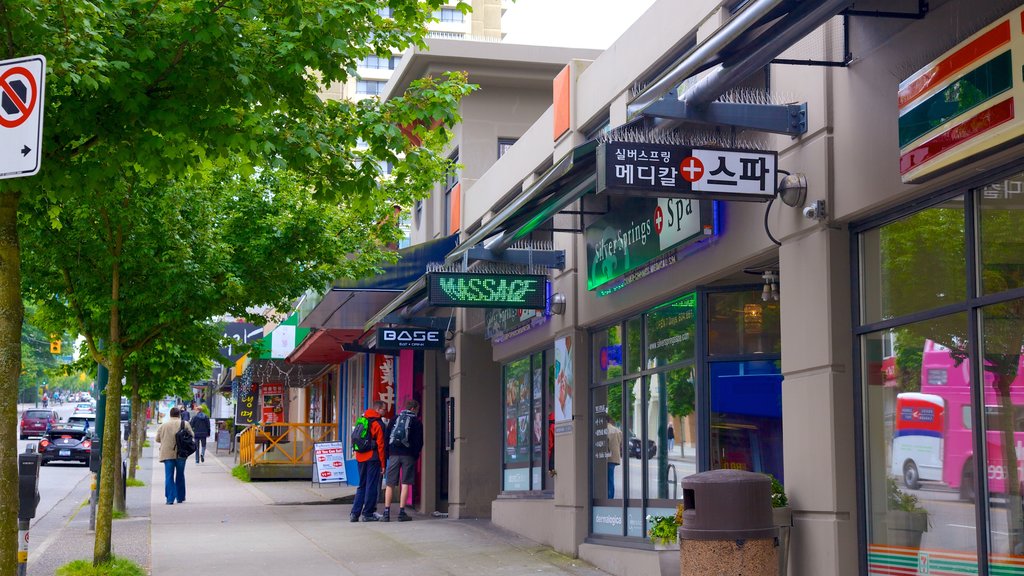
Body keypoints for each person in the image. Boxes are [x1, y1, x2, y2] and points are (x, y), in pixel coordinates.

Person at [382, 399, 424, 522]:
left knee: (390, 484)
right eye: (417, 409)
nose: (417, 412)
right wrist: (415, 456)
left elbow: (386, 437)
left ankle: (386, 512)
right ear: (413, 409)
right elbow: (419, 442)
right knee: (405, 483)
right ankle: (401, 512)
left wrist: (388, 454)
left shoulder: (395, 419)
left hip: (394, 454)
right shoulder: (417, 422)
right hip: (408, 455)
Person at [350, 401, 387, 522]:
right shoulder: (378, 424)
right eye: (383, 409)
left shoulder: (362, 419)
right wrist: (383, 464)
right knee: (372, 485)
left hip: (360, 457)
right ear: (378, 410)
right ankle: (368, 513)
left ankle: (354, 514)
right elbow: (381, 446)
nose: (385, 412)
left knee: (362, 485)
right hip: (373, 458)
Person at [156, 406, 193, 505]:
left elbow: (157, 439)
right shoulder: (185, 424)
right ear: (179, 414)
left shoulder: (163, 425)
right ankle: (180, 497)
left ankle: (170, 499)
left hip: (167, 453)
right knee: (180, 475)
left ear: (170, 414)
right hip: (181, 453)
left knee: (169, 476)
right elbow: (191, 435)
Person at [607, 417, 622, 499]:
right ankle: (611, 497)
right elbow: (620, 441)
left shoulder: (604, 430)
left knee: (607, 479)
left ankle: (608, 497)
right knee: (611, 479)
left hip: (607, 457)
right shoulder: (617, 430)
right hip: (614, 457)